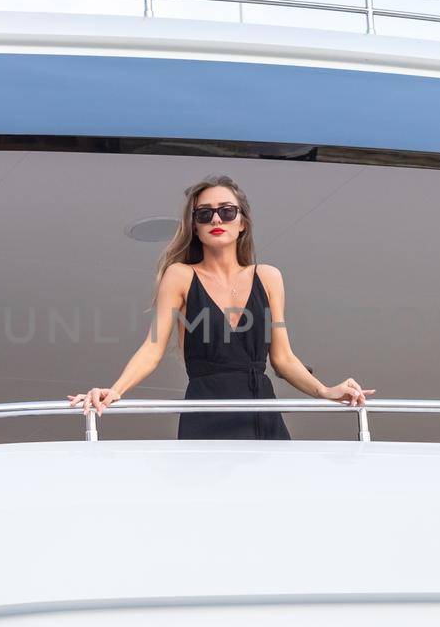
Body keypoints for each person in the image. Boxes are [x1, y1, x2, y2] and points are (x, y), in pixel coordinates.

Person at [68, 174, 373, 439]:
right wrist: (116, 390)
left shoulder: (268, 277)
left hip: (261, 413)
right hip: (207, 412)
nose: (216, 219)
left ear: (242, 223)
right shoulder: (181, 276)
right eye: (205, 214)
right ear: (195, 227)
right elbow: (152, 348)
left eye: (227, 212)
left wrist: (325, 391)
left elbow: (282, 358)